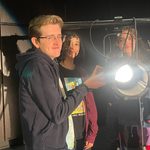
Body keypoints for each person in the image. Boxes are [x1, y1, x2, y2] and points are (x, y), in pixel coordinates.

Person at [15, 14, 104, 150]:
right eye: (50, 37)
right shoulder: (38, 66)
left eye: (58, 36)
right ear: (36, 42)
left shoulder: (49, 64)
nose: (57, 42)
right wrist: (86, 86)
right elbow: (58, 113)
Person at [104, 26, 150, 150]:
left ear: (136, 40)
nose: (126, 43)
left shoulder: (147, 60)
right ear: (118, 44)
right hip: (123, 117)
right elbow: (110, 91)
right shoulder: (114, 63)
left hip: (145, 115)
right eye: (122, 40)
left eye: (129, 38)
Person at [58, 32, 98, 150]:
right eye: (69, 43)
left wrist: (92, 134)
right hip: (63, 133)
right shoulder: (55, 71)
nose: (72, 47)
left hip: (81, 131)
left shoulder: (82, 73)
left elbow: (91, 104)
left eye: (76, 44)